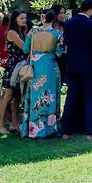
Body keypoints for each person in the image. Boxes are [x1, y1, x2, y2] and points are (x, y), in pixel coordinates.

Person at [60, 0, 92, 140]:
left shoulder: (68, 23)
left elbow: (66, 44)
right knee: (90, 99)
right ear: (91, 10)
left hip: (72, 66)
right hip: (89, 67)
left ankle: (66, 132)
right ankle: (90, 132)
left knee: (71, 98)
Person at [20, 10, 63, 138]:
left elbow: (26, 49)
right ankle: (49, 129)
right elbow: (59, 53)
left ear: (42, 17)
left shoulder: (33, 31)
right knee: (50, 96)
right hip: (50, 68)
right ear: (53, 19)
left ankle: (33, 129)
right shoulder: (57, 34)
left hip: (36, 67)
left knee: (34, 95)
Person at [0, 10, 27, 135]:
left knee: (17, 96)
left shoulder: (20, 32)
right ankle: (1, 125)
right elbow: (24, 47)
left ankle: (14, 124)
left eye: (25, 18)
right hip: (13, 66)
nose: (24, 20)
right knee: (8, 95)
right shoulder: (13, 32)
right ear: (15, 19)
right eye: (22, 18)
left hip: (19, 66)